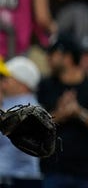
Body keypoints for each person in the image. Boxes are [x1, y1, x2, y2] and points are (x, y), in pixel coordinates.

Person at [36, 34, 88, 187]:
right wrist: (60, 114)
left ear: (68, 57)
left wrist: (80, 113)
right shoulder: (45, 86)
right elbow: (35, 127)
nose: (48, 58)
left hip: (86, 171)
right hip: (52, 170)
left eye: (53, 54)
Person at [0, 56, 42, 187]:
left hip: (16, 178)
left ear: (22, 84)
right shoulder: (11, 102)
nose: (4, 83)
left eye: (8, 79)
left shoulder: (24, 107)